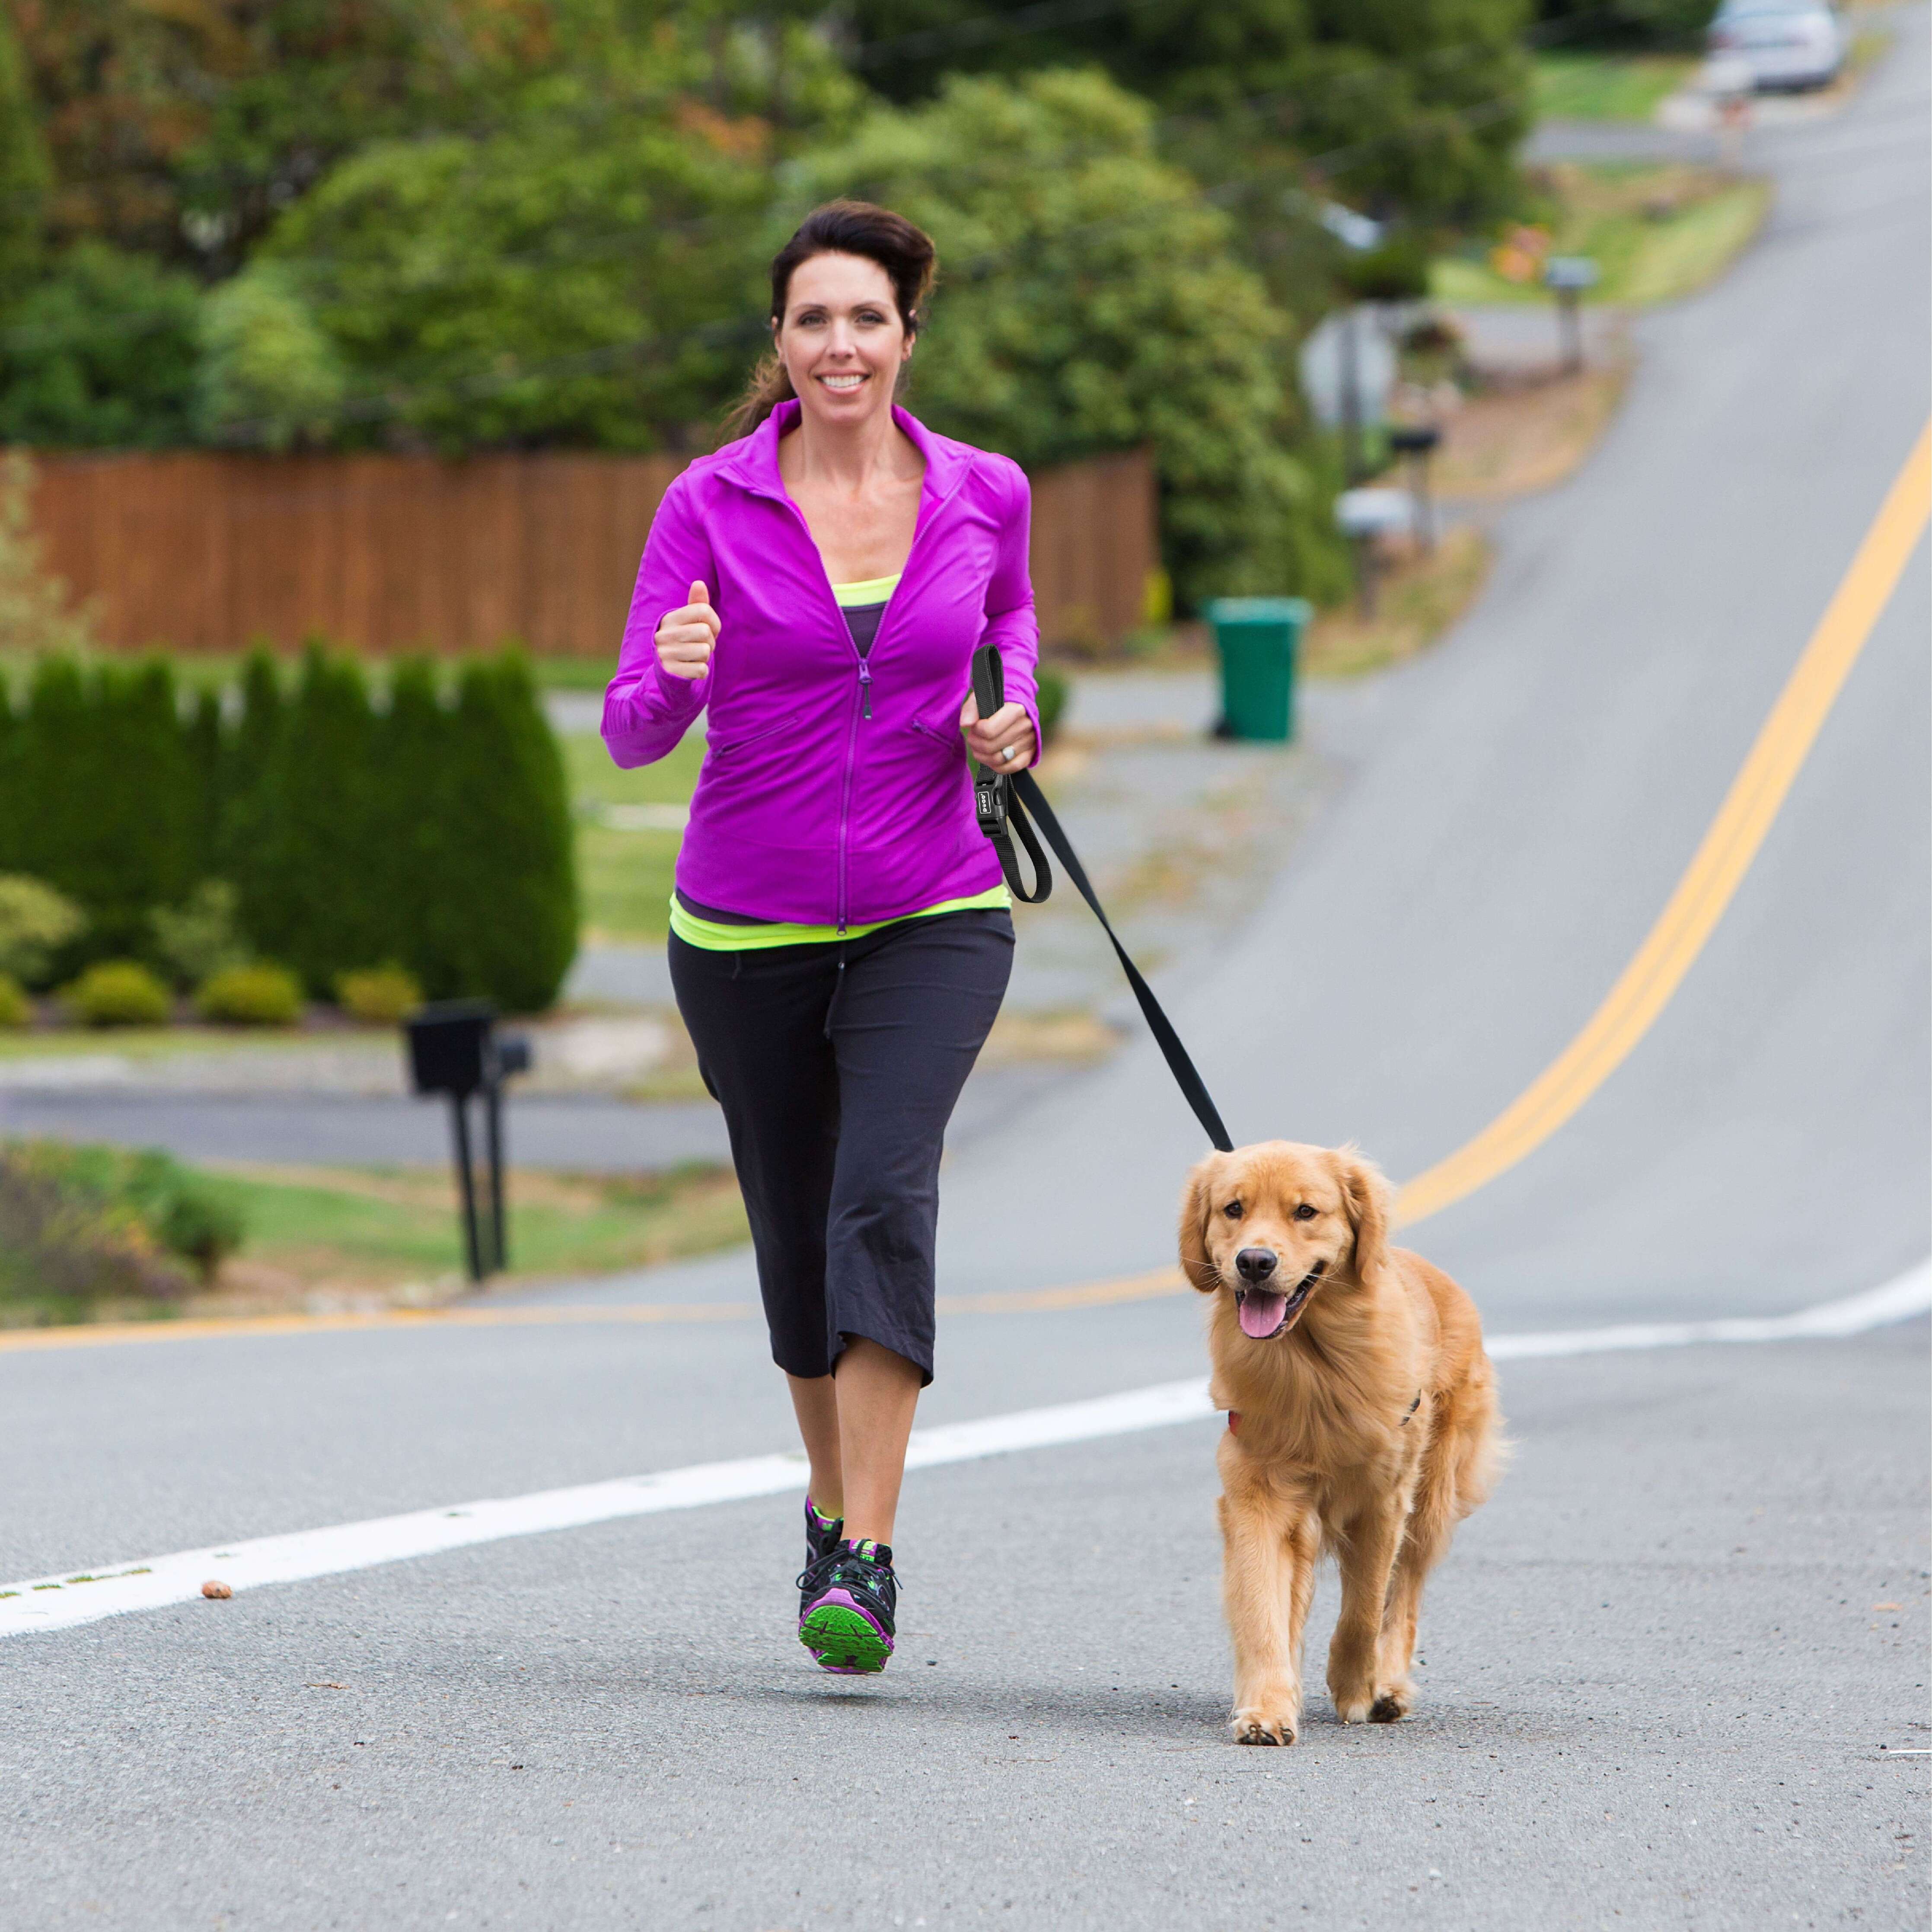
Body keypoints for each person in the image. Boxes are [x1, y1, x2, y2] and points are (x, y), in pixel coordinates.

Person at [601, 200, 1040, 1675]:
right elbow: (628, 732)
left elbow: (1015, 627)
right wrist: (673, 674)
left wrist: (1012, 715)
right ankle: (827, 1498)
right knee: (797, 1242)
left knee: (879, 1198)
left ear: (909, 335)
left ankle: (870, 1551)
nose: (840, 345)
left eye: (866, 319)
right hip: (742, 929)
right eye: (813, 321)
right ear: (780, 344)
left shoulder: (986, 491)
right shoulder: (708, 506)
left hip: (937, 907)